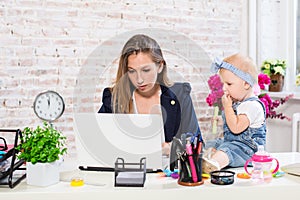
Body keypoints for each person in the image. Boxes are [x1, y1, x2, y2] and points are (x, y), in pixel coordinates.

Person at [98, 34, 202, 157]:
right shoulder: (113, 98)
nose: (139, 80)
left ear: (160, 66)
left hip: (165, 173)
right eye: (132, 71)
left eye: (146, 70)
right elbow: (98, 141)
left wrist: (171, 149)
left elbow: (197, 144)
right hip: (125, 168)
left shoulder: (179, 95)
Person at [202, 53, 266, 174]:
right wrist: (222, 120)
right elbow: (234, 123)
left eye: (229, 84)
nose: (224, 88)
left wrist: (227, 107)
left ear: (246, 84)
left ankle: (214, 164)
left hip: (248, 150)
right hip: (234, 143)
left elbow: (236, 128)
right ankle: (204, 159)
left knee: (228, 149)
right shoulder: (241, 104)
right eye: (223, 84)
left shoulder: (252, 106)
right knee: (214, 143)